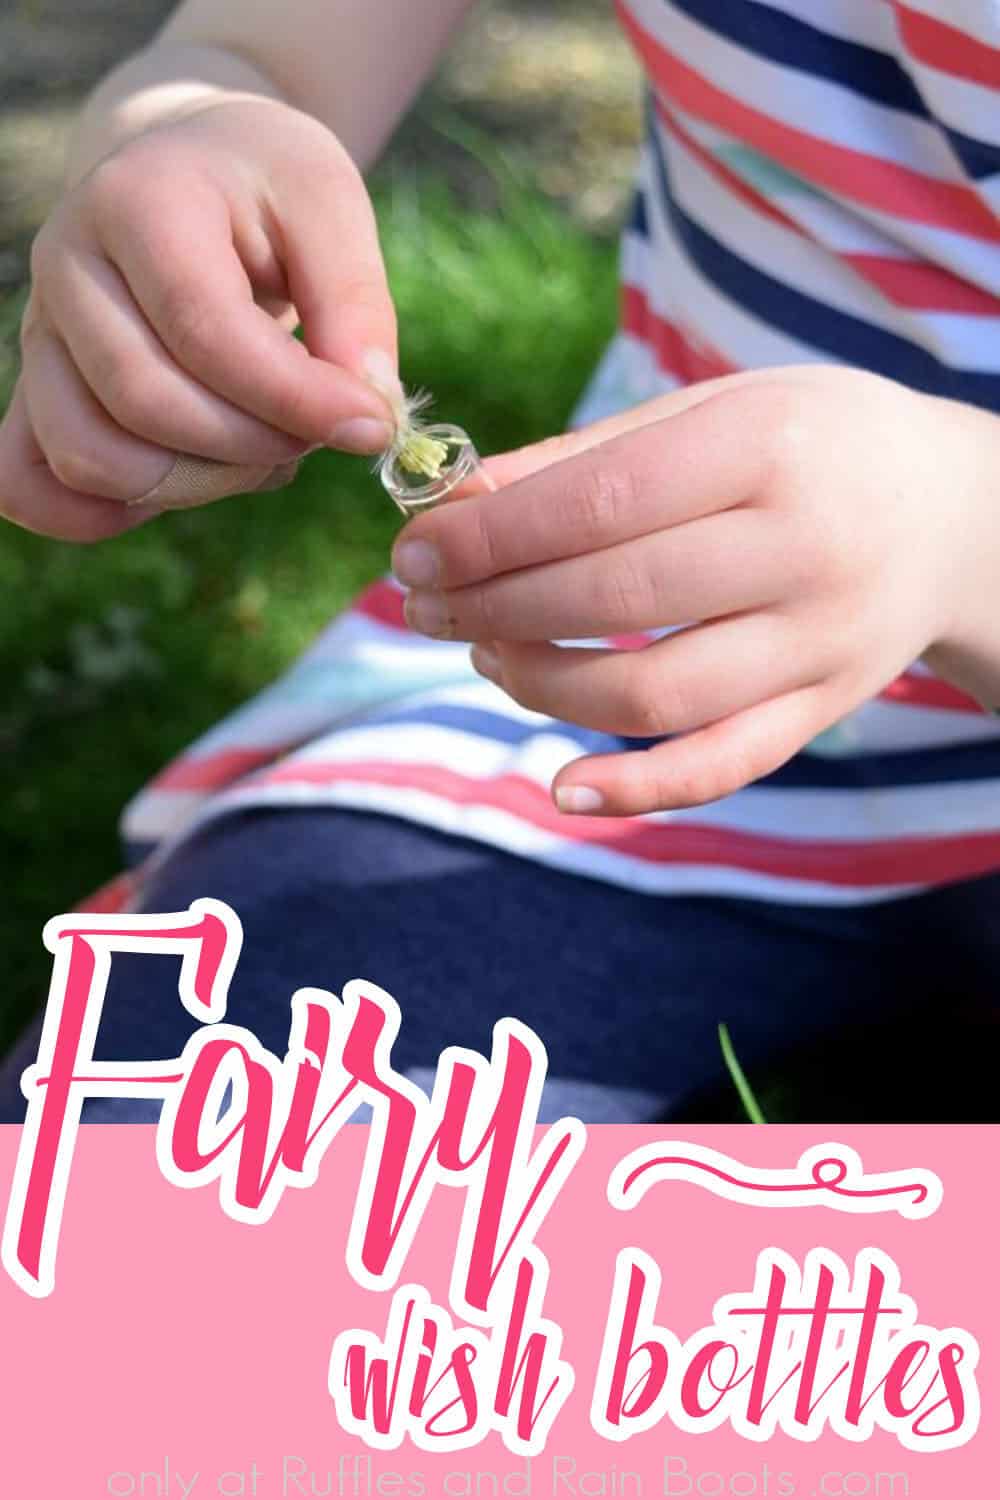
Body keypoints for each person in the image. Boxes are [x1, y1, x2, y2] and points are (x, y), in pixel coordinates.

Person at [1, 0, 999, 1124]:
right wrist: (192, 132)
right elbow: (254, 47)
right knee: (144, 1215)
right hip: (599, 707)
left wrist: (968, 536)